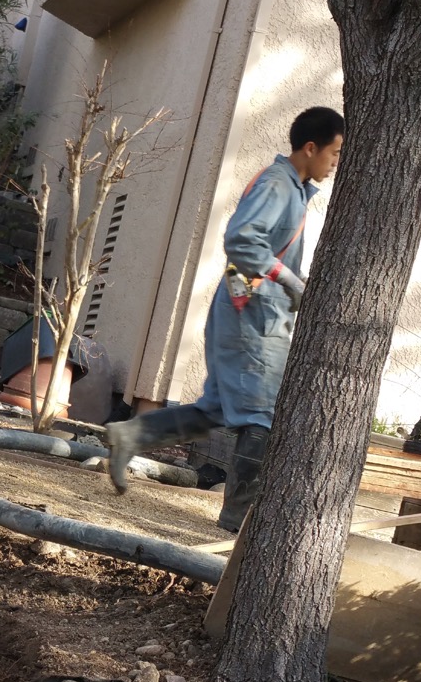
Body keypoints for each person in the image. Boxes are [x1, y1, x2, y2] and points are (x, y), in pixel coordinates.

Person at [104, 107, 345, 530]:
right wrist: (289, 280)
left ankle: (131, 436)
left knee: (217, 408)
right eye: (335, 153)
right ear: (311, 148)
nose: (336, 163)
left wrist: (292, 279)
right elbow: (241, 240)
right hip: (252, 318)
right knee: (262, 416)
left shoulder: (291, 188)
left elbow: (263, 251)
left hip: (247, 310)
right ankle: (237, 522)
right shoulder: (278, 185)